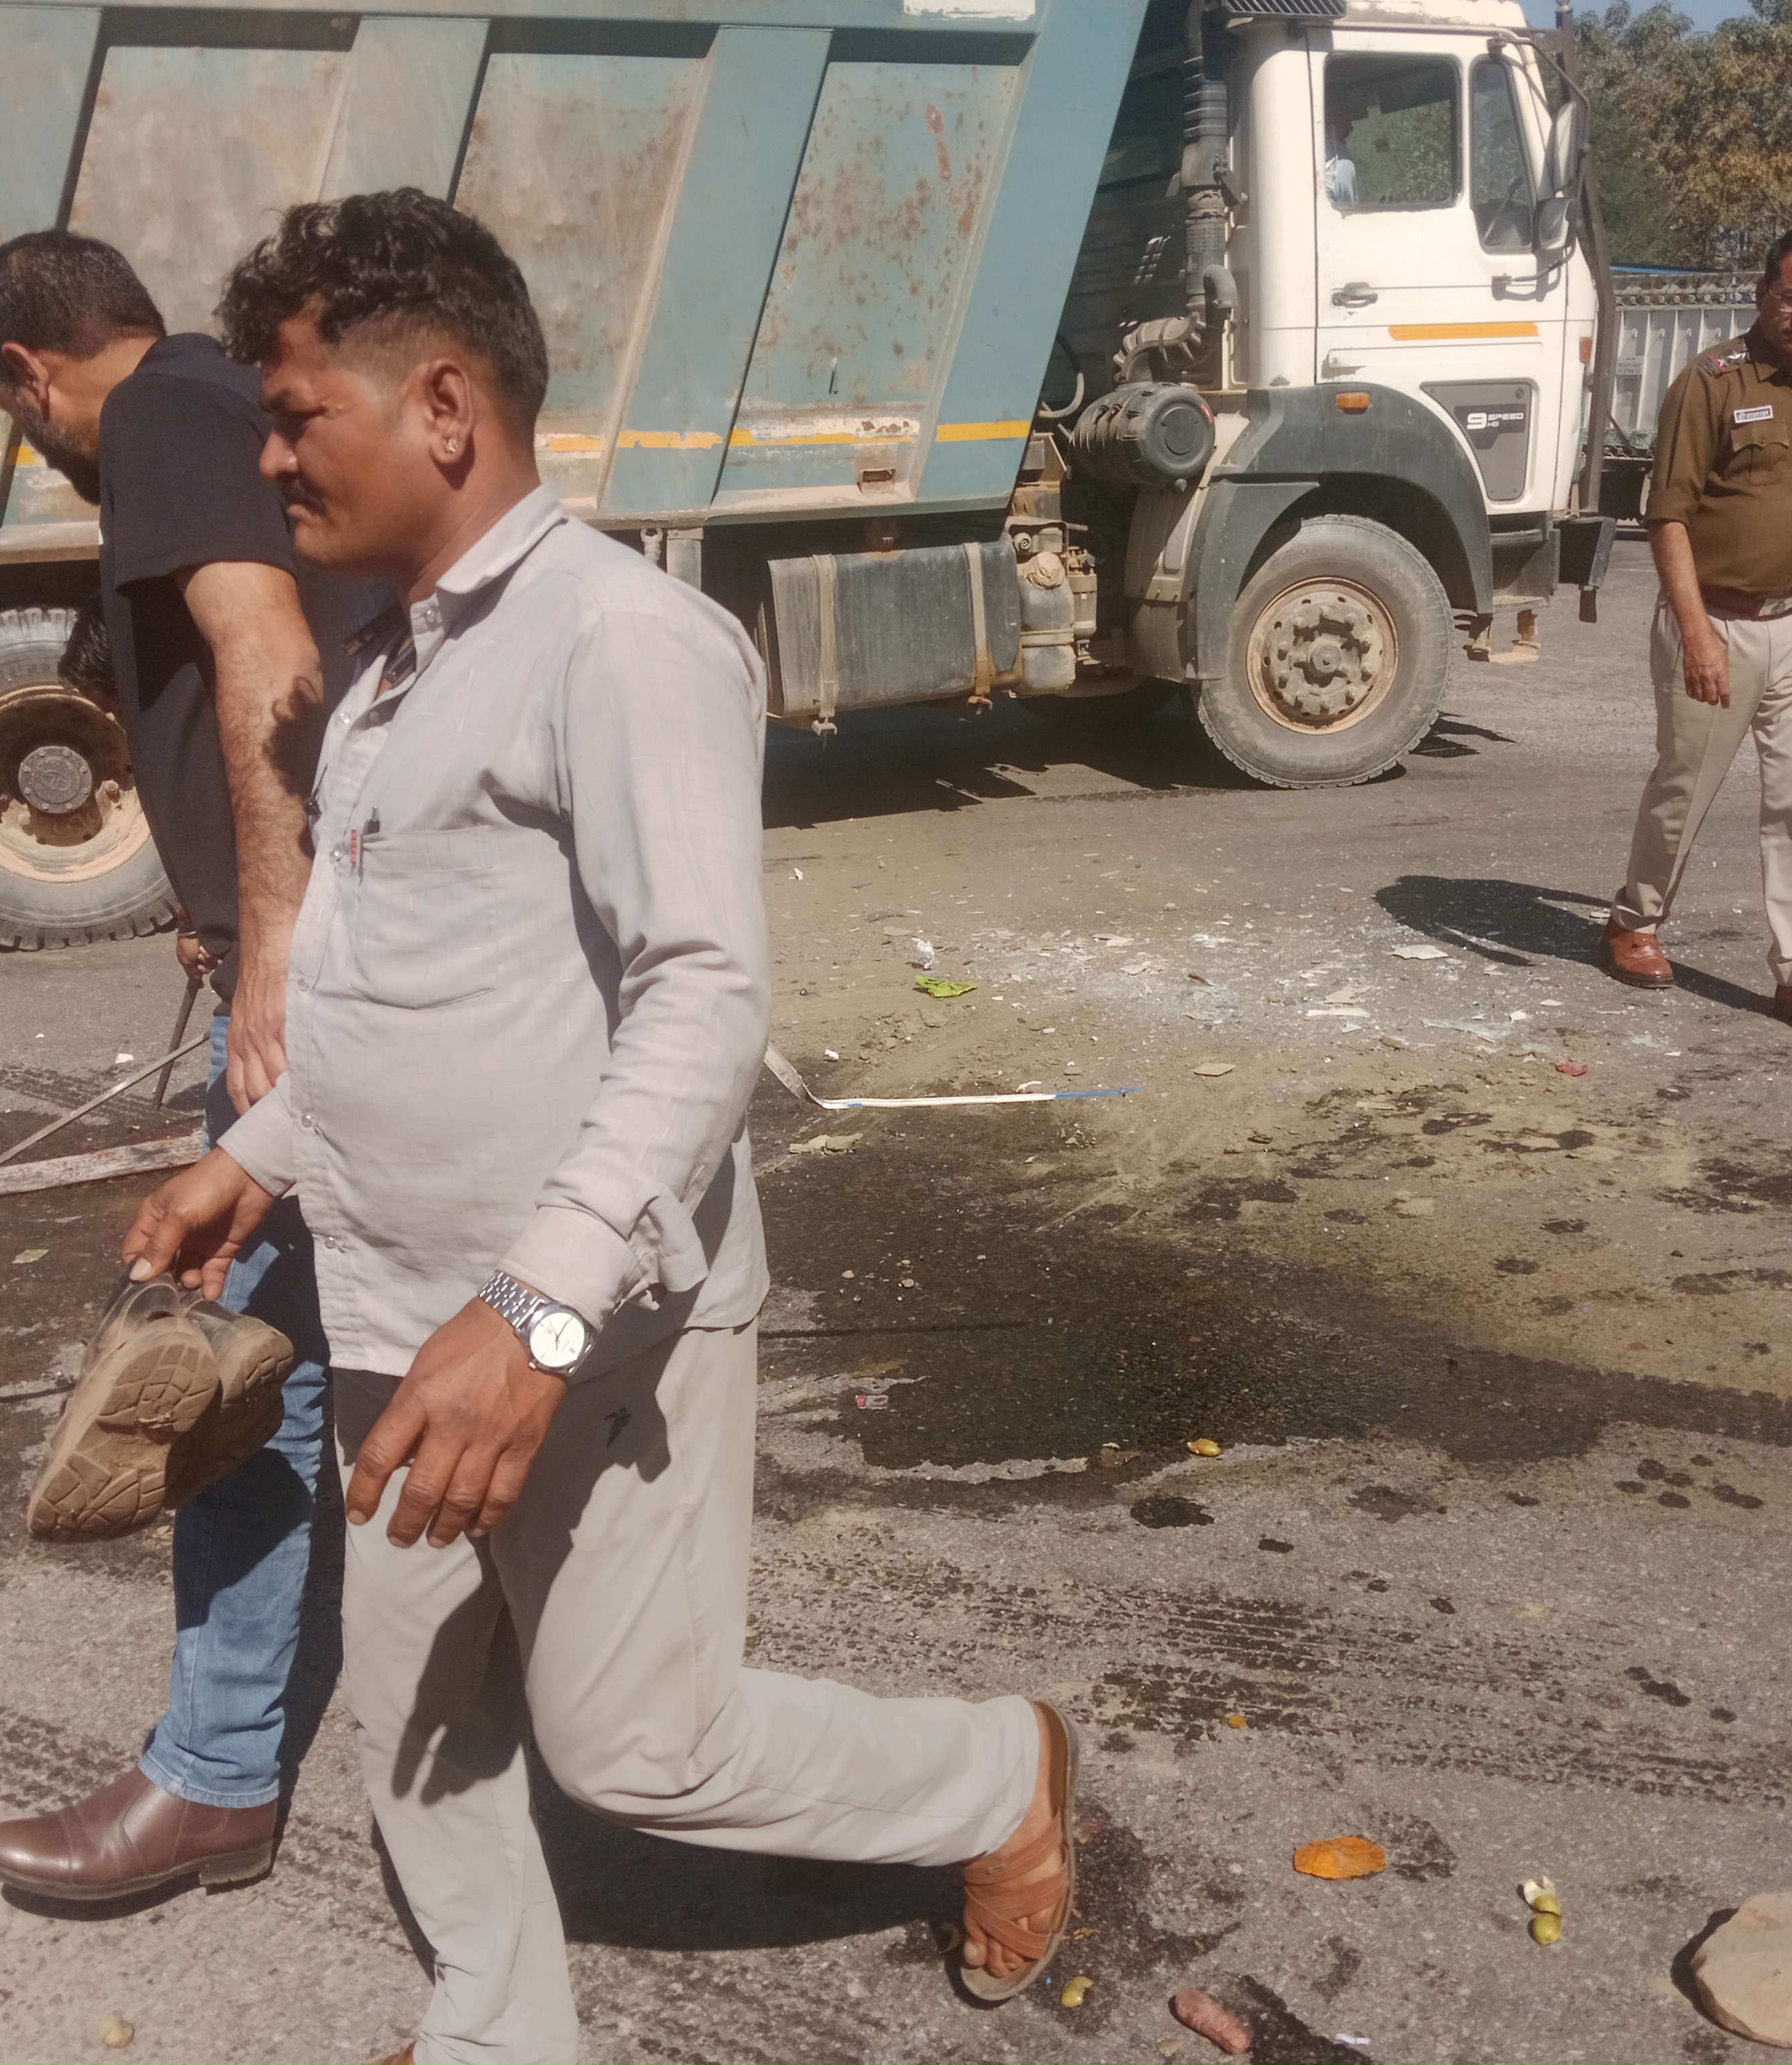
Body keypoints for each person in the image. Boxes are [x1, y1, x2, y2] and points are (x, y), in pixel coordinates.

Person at [116, 189, 1076, 2064]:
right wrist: (263, 1152)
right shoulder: (386, 669)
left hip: (593, 1328)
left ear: (444, 407)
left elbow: (702, 997)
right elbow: (405, 992)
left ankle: (996, 1773)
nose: (267, 459)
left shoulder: (620, 641)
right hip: (405, 1321)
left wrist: (535, 1314)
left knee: (639, 1746)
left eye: (297, 416)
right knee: (415, 1726)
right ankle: (500, 2028)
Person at [0, 231, 348, 1897]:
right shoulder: (215, 400)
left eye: (16, 411)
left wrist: (275, 943)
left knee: (234, 1380)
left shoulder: (161, 418)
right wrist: (220, 909)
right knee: (305, 1360)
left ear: (26, 374)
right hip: (302, 955)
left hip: (306, 988)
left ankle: (215, 1776)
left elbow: (269, 659)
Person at [1600, 223, 1792, 1042]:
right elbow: (1667, 515)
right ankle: (1634, 921)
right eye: (1791, 297)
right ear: (1762, 294)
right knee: (1684, 789)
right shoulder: (1710, 382)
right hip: (1718, 621)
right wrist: (1696, 635)